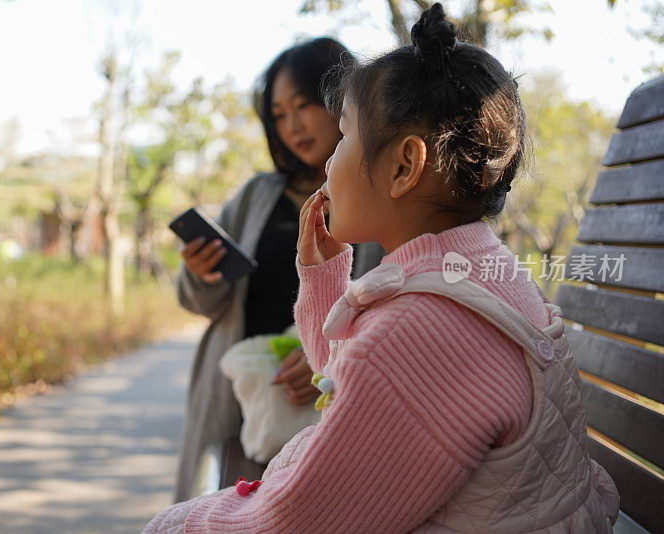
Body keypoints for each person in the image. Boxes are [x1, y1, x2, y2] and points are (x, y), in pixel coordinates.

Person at [146, 4, 620, 532]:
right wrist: (325, 281)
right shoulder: (477, 268)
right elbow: (358, 379)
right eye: (278, 114)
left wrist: (175, 524)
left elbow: (299, 519)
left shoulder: (421, 329)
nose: (328, 159)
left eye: (343, 133)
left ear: (404, 166)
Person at [172, 37, 384, 501]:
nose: (292, 125)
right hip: (241, 400)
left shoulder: (381, 196)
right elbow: (200, 302)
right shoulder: (256, 196)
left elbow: (395, 306)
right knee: (219, 510)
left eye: (304, 105)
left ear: (345, 102)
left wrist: (328, 361)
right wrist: (202, 272)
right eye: (279, 113)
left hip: (330, 413)